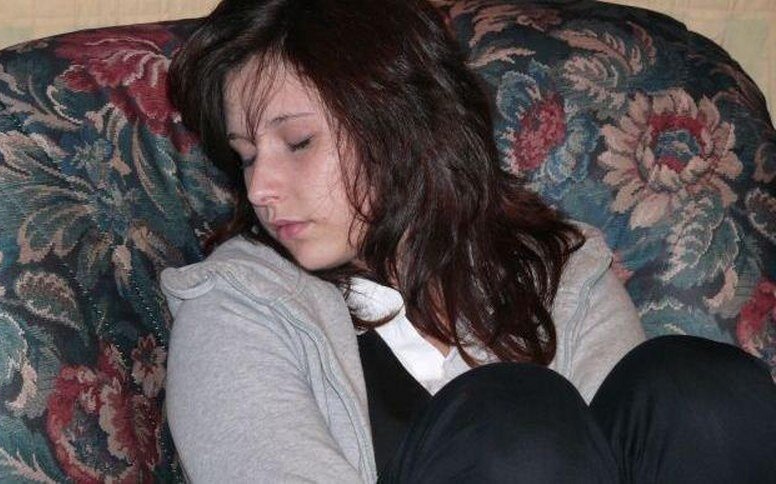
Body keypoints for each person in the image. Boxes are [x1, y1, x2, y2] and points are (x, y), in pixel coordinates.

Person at [161, 0, 776, 482]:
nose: (260, 188)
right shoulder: (236, 304)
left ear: (404, 125)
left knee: (703, 392)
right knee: (513, 419)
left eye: (298, 143)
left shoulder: (555, 267)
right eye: (246, 156)